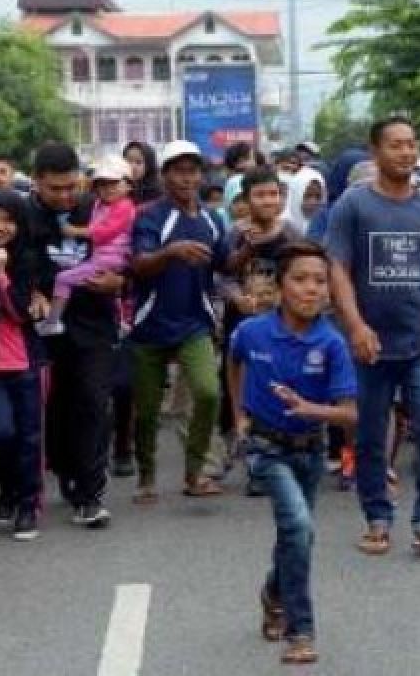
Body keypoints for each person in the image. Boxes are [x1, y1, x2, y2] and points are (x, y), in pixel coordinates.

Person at [325, 118, 420, 564]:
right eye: (396, 146)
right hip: (369, 346)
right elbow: (338, 269)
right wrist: (356, 326)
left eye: (411, 146)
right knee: (368, 434)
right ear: (376, 151)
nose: (405, 153)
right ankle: (377, 518)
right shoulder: (353, 205)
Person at [227, 241, 357, 666]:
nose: (311, 289)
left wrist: (308, 409)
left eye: (320, 281)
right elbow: (234, 362)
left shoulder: (332, 343)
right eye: (300, 280)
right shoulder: (252, 332)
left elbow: (350, 415)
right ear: (280, 286)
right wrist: (239, 416)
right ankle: (301, 631)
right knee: (299, 527)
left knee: (297, 535)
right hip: (266, 448)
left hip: (311, 450)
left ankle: (274, 593)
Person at [28, 143, 123, 529]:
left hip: (94, 324)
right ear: (37, 183)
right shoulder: (23, 215)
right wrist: (31, 290)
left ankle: (90, 493)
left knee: (94, 401)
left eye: (72, 187)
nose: (66, 196)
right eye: (56, 189)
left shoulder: (98, 210)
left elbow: (122, 252)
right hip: (44, 327)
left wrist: (119, 280)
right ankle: (66, 469)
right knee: (59, 406)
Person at [130, 140, 228, 502]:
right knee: (147, 411)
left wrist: (250, 245)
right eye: (179, 170)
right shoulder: (150, 215)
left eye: (193, 170)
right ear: (165, 175)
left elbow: (225, 264)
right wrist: (170, 253)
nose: (188, 178)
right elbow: (138, 265)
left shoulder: (211, 219)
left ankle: (195, 471)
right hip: (150, 323)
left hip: (195, 322)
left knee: (207, 392)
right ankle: (146, 474)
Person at [221, 166, 302, 491]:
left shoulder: (291, 233)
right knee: (249, 394)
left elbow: (303, 270)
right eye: (260, 195)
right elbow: (223, 274)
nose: (268, 201)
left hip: (283, 326)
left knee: (282, 389)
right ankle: (253, 462)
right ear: (246, 199)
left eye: (274, 194)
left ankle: (284, 461)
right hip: (244, 325)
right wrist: (238, 297)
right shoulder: (235, 234)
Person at [0, 189, 45, 540]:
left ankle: (27, 506)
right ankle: (9, 487)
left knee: (29, 437)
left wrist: (0, 274)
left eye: (8, 220)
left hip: (23, 362)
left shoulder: (27, 260)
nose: (0, 227)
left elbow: (19, 312)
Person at [36, 156, 136, 336]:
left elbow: (104, 232)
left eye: (113, 183)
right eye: (102, 184)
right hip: (100, 262)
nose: (107, 189)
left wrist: (76, 231)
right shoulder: (99, 204)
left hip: (108, 262)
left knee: (63, 279)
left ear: (129, 185)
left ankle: (53, 321)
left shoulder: (124, 207)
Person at [282, 168, 326, 236]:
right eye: (307, 196)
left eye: (318, 196)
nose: (313, 202)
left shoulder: (323, 223)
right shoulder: (282, 227)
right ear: (296, 195)